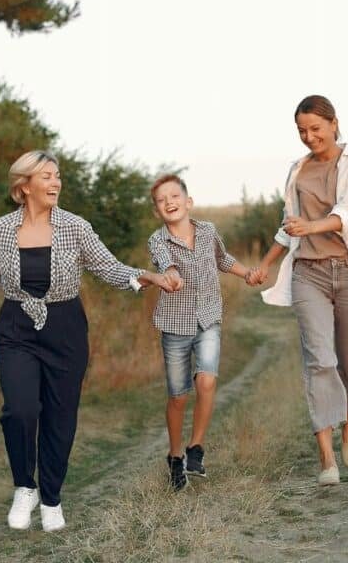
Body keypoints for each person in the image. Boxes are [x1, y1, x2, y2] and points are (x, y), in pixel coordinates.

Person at [0, 150, 178, 532]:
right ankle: (25, 486)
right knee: (21, 409)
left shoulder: (75, 227)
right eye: (46, 176)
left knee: (61, 416)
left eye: (57, 175)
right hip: (16, 327)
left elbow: (107, 266)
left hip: (65, 328)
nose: (56, 182)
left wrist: (149, 276)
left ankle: (51, 498)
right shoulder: (0, 229)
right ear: (24, 186)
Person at [248, 95, 348, 486]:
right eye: (301, 130)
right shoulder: (297, 170)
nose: (309, 137)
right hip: (308, 274)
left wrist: (309, 228)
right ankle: (326, 458)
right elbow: (288, 224)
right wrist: (265, 263)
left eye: (315, 128)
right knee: (319, 360)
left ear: (333, 123)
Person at [146, 174, 258, 491]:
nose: (169, 202)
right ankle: (174, 456)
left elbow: (223, 260)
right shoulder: (158, 240)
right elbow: (165, 262)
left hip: (208, 317)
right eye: (161, 200)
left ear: (188, 201)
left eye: (174, 196)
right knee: (179, 397)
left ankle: (196, 449)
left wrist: (246, 273)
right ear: (157, 211)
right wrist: (170, 273)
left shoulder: (208, 231)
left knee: (206, 380)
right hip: (175, 325)